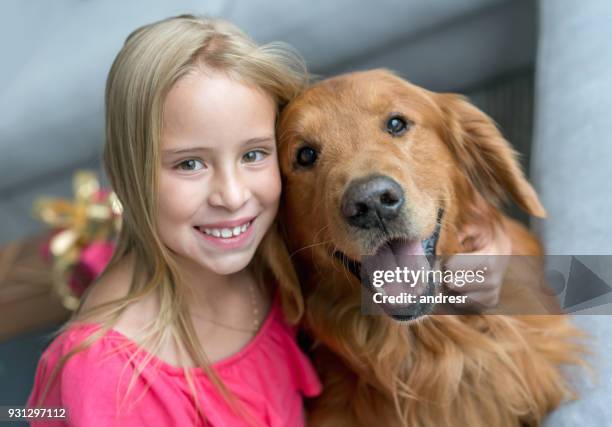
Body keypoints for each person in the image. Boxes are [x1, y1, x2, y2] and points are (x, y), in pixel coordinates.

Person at [26, 14, 511, 427]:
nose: (234, 196)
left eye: (255, 155)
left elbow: (583, 285)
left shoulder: (269, 256)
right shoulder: (103, 381)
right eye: (189, 163)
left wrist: (495, 260)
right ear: (126, 175)